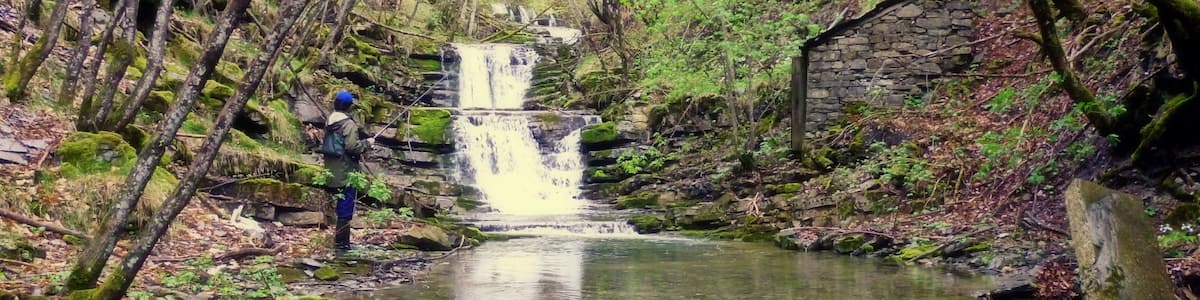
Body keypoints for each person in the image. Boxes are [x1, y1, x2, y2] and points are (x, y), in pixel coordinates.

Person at [321, 90, 374, 251]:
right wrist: (367, 143)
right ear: (349, 107)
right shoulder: (348, 124)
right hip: (346, 173)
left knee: (339, 206)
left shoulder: (330, 121)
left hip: (331, 171)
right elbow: (352, 147)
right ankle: (342, 245)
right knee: (345, 209)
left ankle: (339, 244)